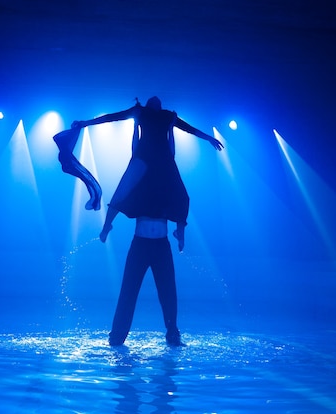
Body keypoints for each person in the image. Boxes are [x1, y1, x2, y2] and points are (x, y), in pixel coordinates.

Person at [69, 96, 223, 346]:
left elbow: (187, 128)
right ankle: (117, 337)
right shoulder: (142, 113)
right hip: (141, 242)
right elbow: (112, 117)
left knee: (168, 292)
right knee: (128, 291)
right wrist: (85, 123)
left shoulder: (165, 117)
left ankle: (173, 333)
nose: (155, 100)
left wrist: (209, 138)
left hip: (160, 241)